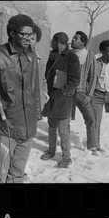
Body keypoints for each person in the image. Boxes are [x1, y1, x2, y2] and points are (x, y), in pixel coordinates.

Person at [0, 14, 42, 183]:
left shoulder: (31, 55)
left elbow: (35, 89)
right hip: (6, 126)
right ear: (12, 33)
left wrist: (36, 116)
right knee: (0, 174)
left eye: (31, 35)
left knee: (17, 174)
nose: (28, 39)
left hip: (28, 126)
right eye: (23, 35)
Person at [41, 32, 80, 167]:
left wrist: (64, 92)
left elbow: (75, 80)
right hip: (52, 97)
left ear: (58, 42)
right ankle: (51, 151)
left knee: (63, 130)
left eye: (52, 41)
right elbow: (48, 74)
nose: (51, 43)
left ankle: (66, 158)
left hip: (64, 98)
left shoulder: (72, 57)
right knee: (51, 127)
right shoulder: (53, 55)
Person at [70, 31, 99, 155]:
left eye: (76, 38)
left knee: (91, 119)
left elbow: (93, 77)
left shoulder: (90, 55)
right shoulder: (68, 54)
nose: (72, 39)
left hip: (82, 94)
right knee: (64, 120)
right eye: (73, 37)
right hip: (68, 93)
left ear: (83, 43)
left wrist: (89, 95)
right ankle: (64, 146)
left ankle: (92, 147)